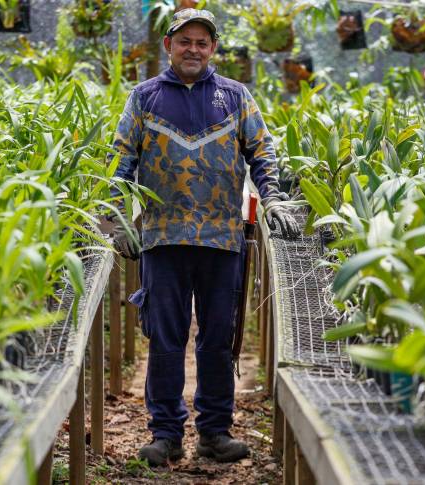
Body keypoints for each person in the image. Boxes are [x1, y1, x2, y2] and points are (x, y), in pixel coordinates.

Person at [108, 8, 299, 467]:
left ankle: (215, 431)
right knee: (166, 338)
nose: (192, 49)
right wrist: (114, 215)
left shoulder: (235, 97)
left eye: (202, 42)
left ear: (213, 49)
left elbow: (262, 152)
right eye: (184, 41)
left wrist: (272, 198)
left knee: (217, 338)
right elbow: (121, 160)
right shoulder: (144, 97)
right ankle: (166, 434)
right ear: (168, 47)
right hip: (162, 236)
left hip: (221, 237)